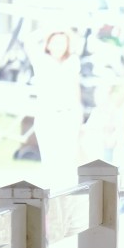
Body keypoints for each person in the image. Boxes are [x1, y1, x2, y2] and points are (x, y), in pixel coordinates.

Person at [29, 29, 84, 185]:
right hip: (47, 115)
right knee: (50, 160)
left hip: (68, 114)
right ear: (48, 44)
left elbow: (75, 88)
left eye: (62, 42)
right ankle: (52, 193)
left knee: (67, 160)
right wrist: (51, 28)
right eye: (55, 42)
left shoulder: (72, 61)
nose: (59, 46)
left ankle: (65, 194)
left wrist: (79, 114)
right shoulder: (41, 60)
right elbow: (29, 41)